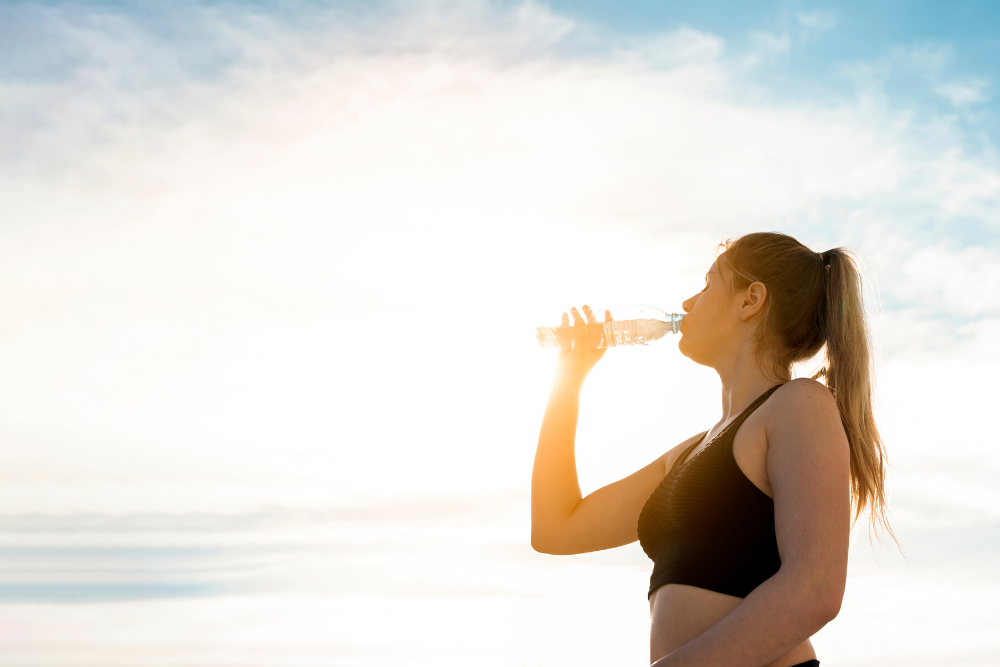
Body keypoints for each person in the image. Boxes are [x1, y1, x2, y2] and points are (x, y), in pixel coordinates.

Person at [531, 232, 893, 667]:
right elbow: (556, 529)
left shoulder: (799, 405)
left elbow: (815, 590)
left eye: (706, 285)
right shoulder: (688, 454)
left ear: (751, 300)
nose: (687, 303)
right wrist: (568, 381)